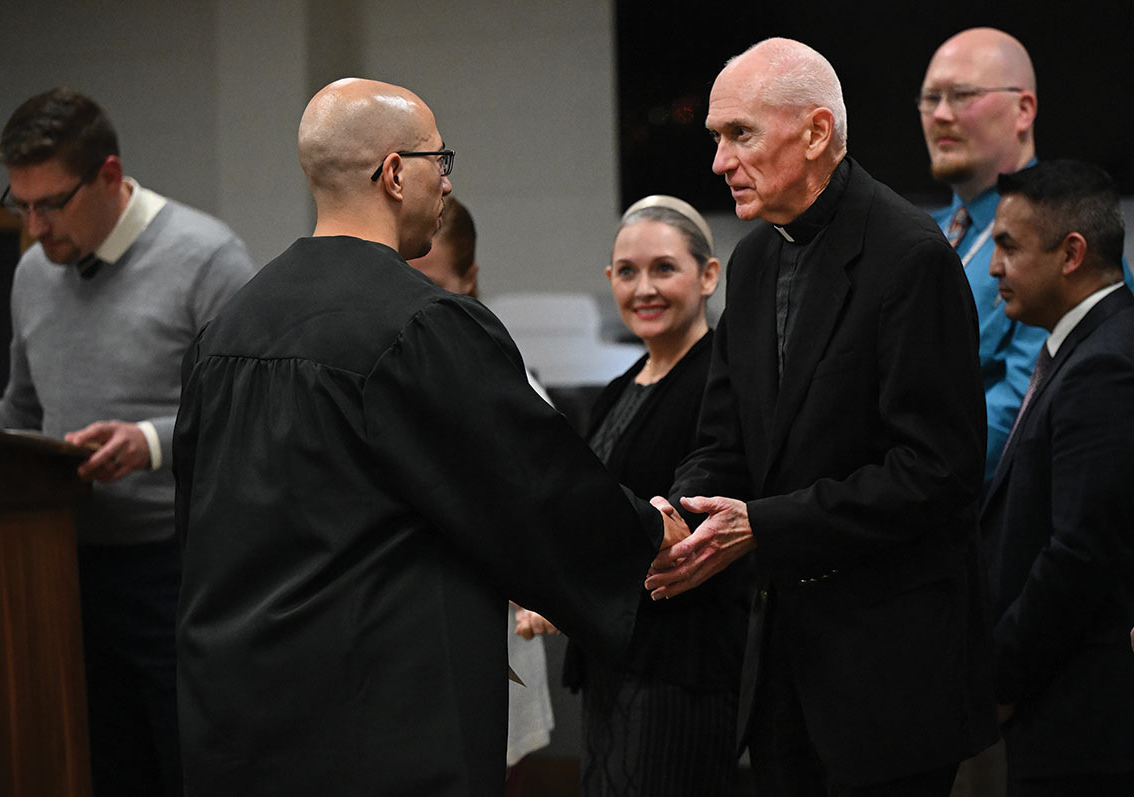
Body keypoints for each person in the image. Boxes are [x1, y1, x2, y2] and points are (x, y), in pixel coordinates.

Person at [172, 77, 687, 797]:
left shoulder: (224, 331)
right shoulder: (422, 324)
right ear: (393, 173)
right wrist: (646, 534)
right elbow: (531, 484)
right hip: (374, 715)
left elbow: (194, 524)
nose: (447, 183)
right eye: (439, 162)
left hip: (233, 708)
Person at [644, 38, 996, 796]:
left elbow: (939, 472)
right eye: (716, 138)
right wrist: (685, 511)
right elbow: (723, 439)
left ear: (814, 133)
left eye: (740, 134)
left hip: (886, 675)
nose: (718, 162)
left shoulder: (909, 256)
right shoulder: (753, 260)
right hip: (779, 668)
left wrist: (762, 526)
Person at [0, 88, 256, 796]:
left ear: (109, 175)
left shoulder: (207, 258)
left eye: (50, 203)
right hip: (54, 563)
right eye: (18, 205)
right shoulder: (32, 273)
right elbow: (23, 407)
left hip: (176, 567)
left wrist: (151, 441)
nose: (33, 226)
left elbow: (259, 416)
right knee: (102, 768)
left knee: (189, 765)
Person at [572, 195, 747, 795]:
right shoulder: (618, 386)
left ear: (708, 276)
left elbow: (686, 520)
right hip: (616, 653)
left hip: (682, 662)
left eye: (663, 268)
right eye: (627, 271)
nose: (643, 288)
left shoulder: (724, 378)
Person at [918, 27, 1134, 486]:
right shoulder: (923, 234)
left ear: (1024, 109)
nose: (940, 114)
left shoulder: (1070, 235)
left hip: (985, 512)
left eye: (962, 95)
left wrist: (905, 483)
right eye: (929, 97)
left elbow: (1026, 405)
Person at [981, 160, 1134, 796]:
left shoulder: (1105, 365)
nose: (994, 268)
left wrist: (1000, 679)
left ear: (1071, 253)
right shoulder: (1082, 348)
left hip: (1083, 722)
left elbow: (1080, 551)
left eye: (1009, 247)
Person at [407, 195, 556, 778]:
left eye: (430, 286)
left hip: (486, 638)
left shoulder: (509, 384)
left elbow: (547, 519)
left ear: (469, 281)